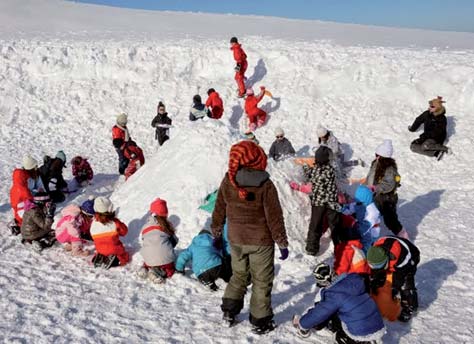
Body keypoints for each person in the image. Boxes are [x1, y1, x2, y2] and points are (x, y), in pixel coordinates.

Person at [211, 140, 289, 334]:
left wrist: (217, 232)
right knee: (261, 281)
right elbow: (274, 216)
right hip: (260, 241)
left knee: (238, 275)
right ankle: (260, 321)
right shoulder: (265, 184)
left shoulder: (229, 179)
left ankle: (229, 310)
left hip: (236, 239)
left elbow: (219, 207)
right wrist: (281, 241)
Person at [292, 264, 385, 343]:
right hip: (378, 323)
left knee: (331, 316)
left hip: (360, 332)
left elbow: (318, 314)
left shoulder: (333, 295)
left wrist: (302, 324)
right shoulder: (354, 279)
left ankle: (351, 340)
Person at [367, 236, 420, 322]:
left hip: (410, 259)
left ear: (387, 259)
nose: (375, 268)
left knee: (405, 285)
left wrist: (393, 289)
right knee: (377, 278)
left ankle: (409, 307)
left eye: (379, 266)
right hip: (390, 253)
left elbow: (399, 277)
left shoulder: (402, 259)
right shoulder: (374, 253)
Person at [365, 139, 408, 239]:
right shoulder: (375, 163)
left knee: (390, 220)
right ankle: (369, 236)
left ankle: (403, 235)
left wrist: (375, 188)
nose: (376, 157)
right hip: (376, 195)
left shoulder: (390, 169)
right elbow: (370, 176)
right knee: (370, 215)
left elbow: (388, 184)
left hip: (387, 198)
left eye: (377, 155)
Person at [302, 146, 341, 255]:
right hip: (331, 201)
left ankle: (311, 248)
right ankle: (340, 246)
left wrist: (305, 168)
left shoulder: (315, 171)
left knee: (315, 224)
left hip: (318, 202)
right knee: (335, 225)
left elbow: (308, 176)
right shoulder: (331, 170)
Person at [138, 198, 179, 284]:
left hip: (148, 258)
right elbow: (175, 241)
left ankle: (144, 268)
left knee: (150, 256)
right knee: (170, 269)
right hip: (165, 259)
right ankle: (158, 272)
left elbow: (142, 240)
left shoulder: (145, 226)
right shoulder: (166, 226)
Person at [9, 155, 46, 234]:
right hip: (24, 202)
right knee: (28, 218)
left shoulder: (36, 175)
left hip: (34, 199)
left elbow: (41, 187)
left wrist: (39, 193)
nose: (37, 168)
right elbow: (23, 193)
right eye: (35, 167)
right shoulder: (22, 178)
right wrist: (33, 196)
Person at [90, 197, 129, 269]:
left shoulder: (93, 222)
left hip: (100, 249)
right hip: (114, 249)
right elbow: (124, 232)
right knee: (125, 256)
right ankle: (116, 260)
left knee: (103, 248)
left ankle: (101, 257)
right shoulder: (114, 222)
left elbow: (92, 236)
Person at [341, 185, 381, 253]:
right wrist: (342, 209)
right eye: (357, 201)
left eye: (359, 202)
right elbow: (350, 209)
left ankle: (365, 254)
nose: (357, 203)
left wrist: (355, 231)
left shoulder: (373, 211)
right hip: (361, 225)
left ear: (366, 200)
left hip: (371, 231)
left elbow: (367, 226)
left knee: (366, 243)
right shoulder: (359, 203)